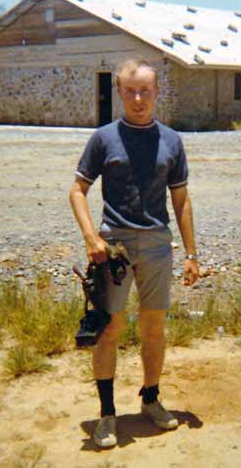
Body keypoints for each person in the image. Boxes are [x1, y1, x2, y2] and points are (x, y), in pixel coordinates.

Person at [69, 59, 199, 448]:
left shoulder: (172, 140)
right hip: (114, 247)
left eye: (146, 90)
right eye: (131, 91)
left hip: (158, 244)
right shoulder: (104, 138)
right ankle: (106, 416)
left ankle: (151, 399)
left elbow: (181, 199)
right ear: (120, 94)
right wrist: (92, 238)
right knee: (111, 329)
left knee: (154, 328)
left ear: (158, 92)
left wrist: (191, 252)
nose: (139, 98)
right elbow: (77, 190)